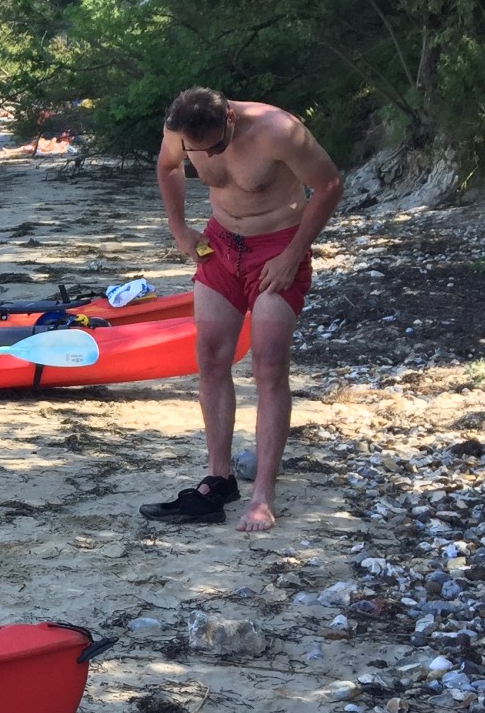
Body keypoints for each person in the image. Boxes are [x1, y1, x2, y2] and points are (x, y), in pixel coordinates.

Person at [141, 86, 343, 531]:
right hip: (219, 247)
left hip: (276, 248)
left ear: (230, 118)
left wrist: (294, 253)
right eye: (201, 151)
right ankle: (219, 477)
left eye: (216, 145)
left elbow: (328, 184)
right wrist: (179, 228)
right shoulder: (180, 129)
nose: (208, 155)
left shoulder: (278, 129)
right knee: (211, 357)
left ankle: (262, 493)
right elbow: (168, 165)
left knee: (268, 364)